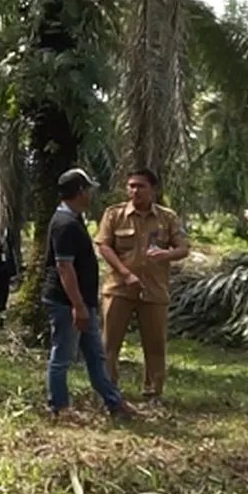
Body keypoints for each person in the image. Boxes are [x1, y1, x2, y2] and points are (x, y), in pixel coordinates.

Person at [42, 167, 137, 419]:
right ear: (81, 191)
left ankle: (114, 403)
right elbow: (64, 267)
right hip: (66, 302)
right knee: (62, 355)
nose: (91, 196)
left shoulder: (73, 219)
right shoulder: (64, 224)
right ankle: (59, 407)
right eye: (88, 190)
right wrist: (77, 305)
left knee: (96, 356)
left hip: (81, 301)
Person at [96, 168, 190, 405]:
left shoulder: (167, 218)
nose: (134, 190)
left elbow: (184, 247)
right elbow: (104, 246)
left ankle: (153, 393)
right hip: (119, 288)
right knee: (109, 344)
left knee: (155, 345)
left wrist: (165, 255)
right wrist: (125, 274)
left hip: (154, 290)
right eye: (131, 186)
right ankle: (109, 392)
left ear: (153, 189)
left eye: (140, 186)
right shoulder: (114, 214)